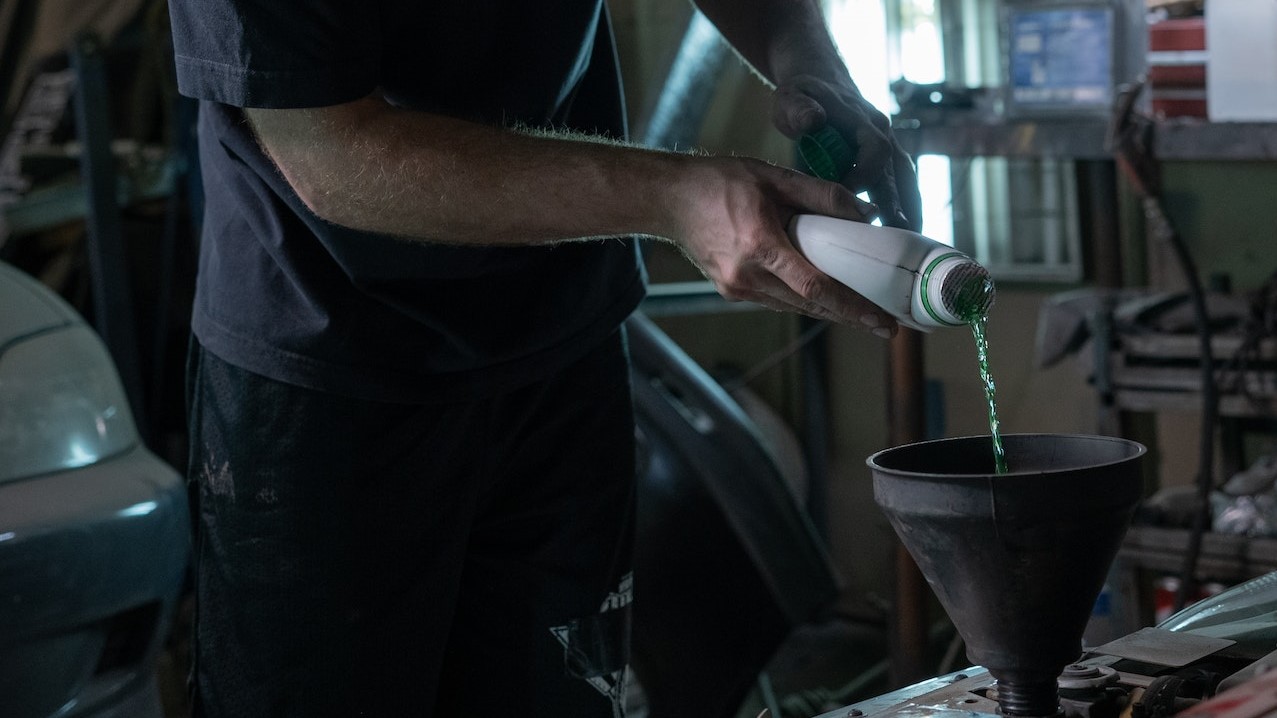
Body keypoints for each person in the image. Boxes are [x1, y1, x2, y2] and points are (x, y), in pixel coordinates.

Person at [166, 0, 921, 714]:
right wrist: (670, 197)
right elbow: (329, 148)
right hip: (329, 373)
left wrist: (810, 63)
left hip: (561, 336)